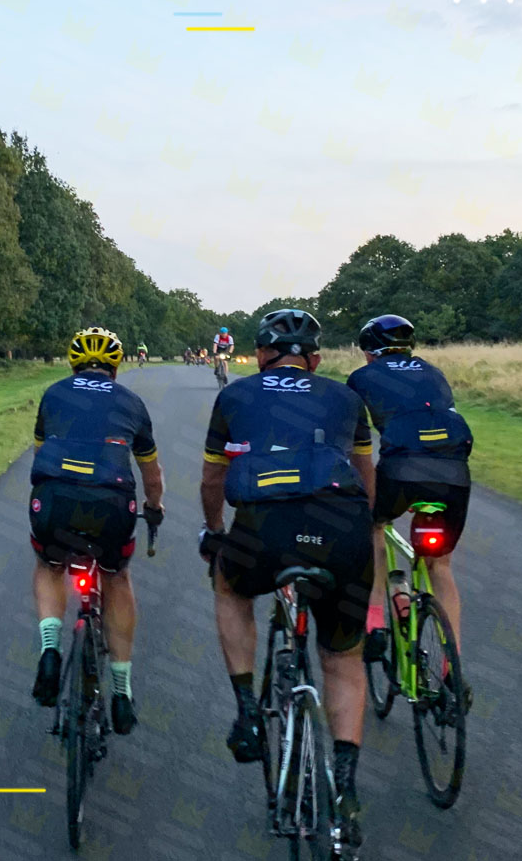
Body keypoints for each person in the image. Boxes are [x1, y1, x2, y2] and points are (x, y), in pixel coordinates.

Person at [198, 308, 374, 850]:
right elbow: (366, 475)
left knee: (229, 586)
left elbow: (212, 477)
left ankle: (248, 712)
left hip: (263, 528)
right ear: (314, 359)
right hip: (340, 523)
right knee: (343, 658)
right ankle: (344, 786)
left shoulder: (235, 396)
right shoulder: (346, 397)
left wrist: (213, 531)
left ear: (259, 356)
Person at [29, 327, 165, 734]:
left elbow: (40, 454)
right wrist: (154, 508)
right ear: (116, 366)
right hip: (111, 503)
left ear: (73, 363)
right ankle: (121, 693)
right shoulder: (133, 402)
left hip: (55, 497)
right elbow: (151, 473)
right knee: (117, 577)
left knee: (50, 565)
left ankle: (50, 650)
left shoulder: (53, 394)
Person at [347, 315, 474, 709]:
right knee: (440, 566)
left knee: (374, 525)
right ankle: (453, 670)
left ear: (369, 353)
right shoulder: (434, 373)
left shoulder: (361, 378)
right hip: (453, 471)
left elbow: (356, 442)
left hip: (401, 470)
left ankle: (375, 625)